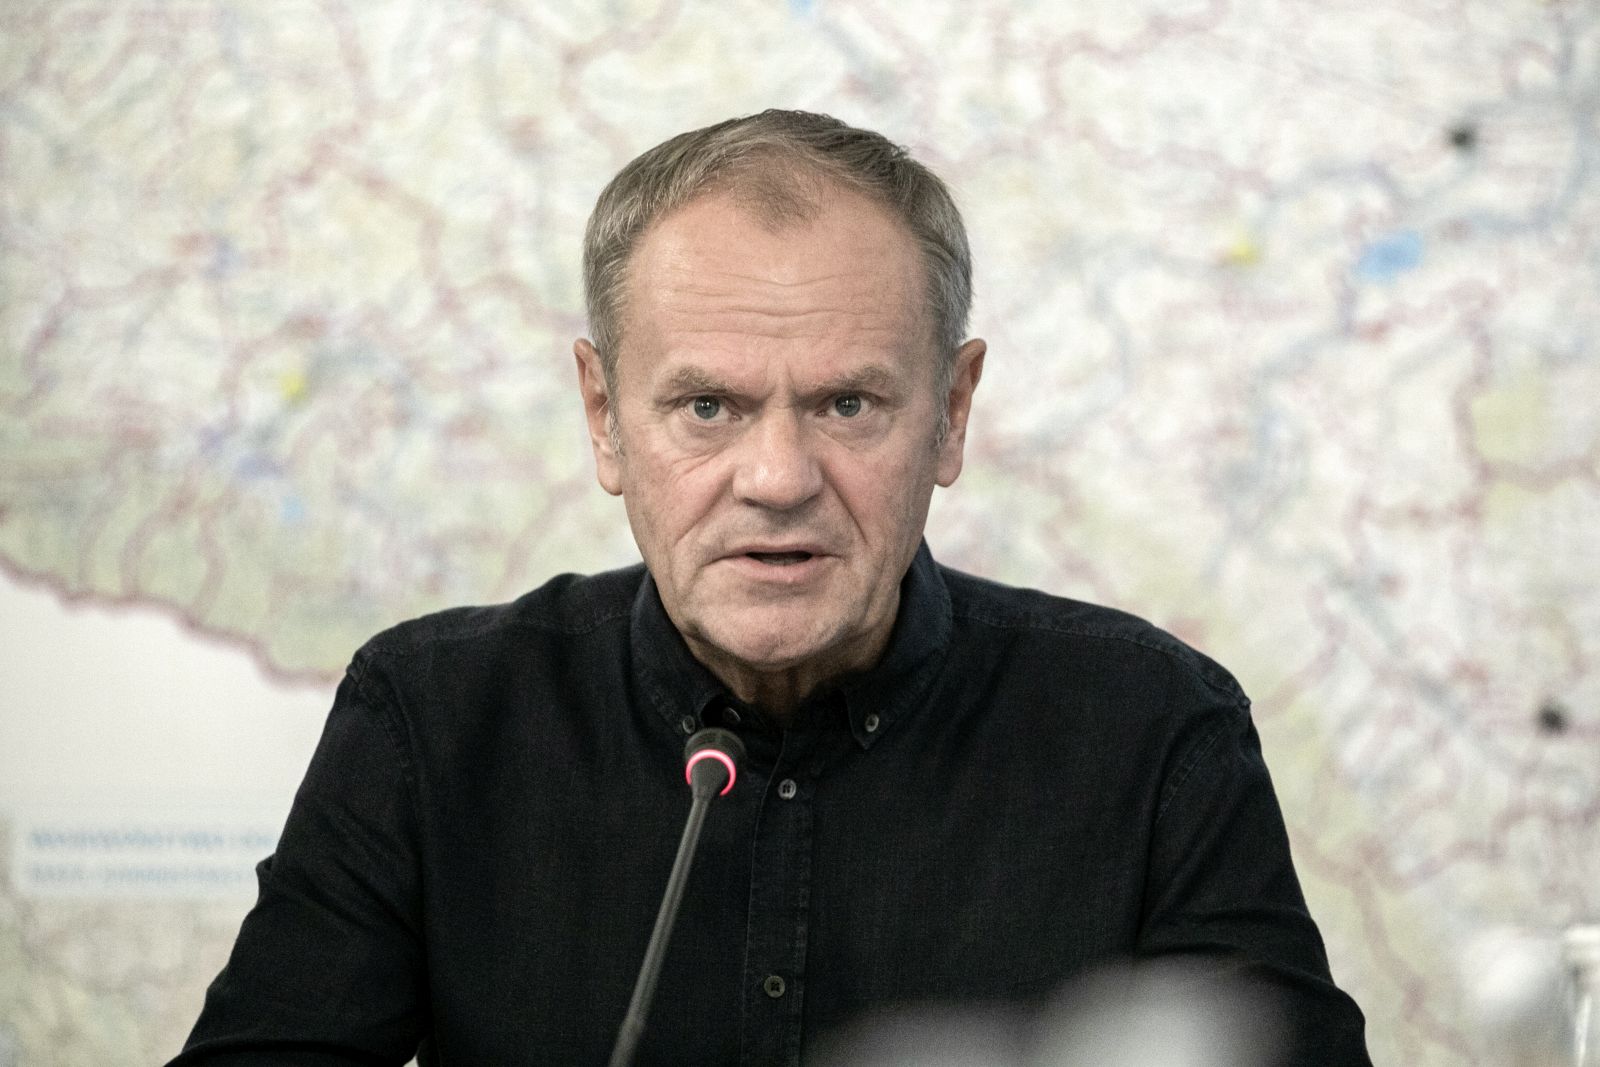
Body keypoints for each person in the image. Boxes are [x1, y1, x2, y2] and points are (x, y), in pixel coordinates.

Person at [171, 110, 1371, 1066]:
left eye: (848, 403)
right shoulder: (432, 717)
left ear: (949, 415)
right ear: (604, 416)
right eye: (708, 406)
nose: (778, 477)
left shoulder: (1152, 727)